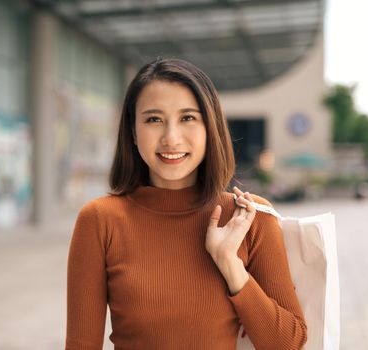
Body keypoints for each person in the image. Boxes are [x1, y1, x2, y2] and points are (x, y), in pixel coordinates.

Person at [66, 58, 307, 349]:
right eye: (153, 119)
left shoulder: (248, 217)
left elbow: (289, 343)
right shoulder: (100, 220)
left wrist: (230, 265)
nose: (171, 138)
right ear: (132, 130)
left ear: (210, 127)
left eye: (188, 118)